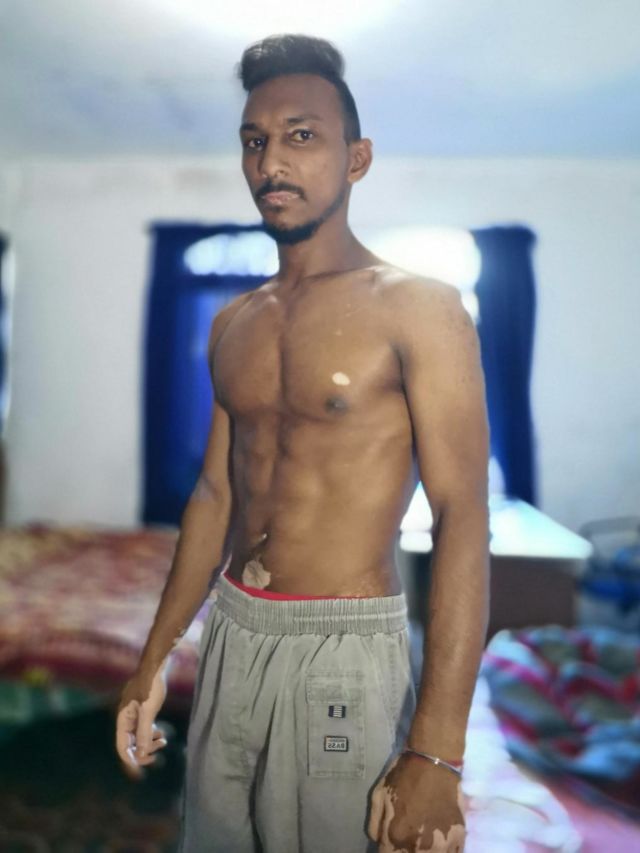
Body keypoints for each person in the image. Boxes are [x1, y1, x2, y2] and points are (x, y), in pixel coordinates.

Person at [116, 33, 490, 853]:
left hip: (344, 646)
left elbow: (463, 514)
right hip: (233, 631)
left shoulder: (419, 308)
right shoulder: (234, 322)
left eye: (301, 135)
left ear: (356, 159)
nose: (272, 161)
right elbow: (214, 495)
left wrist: (436, 752)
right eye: (254, 141)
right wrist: (152, 659)